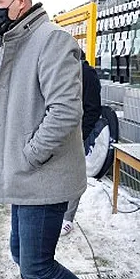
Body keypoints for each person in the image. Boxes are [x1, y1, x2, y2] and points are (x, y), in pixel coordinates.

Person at [0, 0, 86, 279]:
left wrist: (30, 155)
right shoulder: (11, 44)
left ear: (20, 2)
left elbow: (66, 110)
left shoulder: (51, 39)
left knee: (38, 268)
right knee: (21, 256)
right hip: (24, 176)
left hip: (43, 177)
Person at [61, 50, 102, 236]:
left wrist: (81, 135)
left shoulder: (87, 74)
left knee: (74, 175)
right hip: (61, 133)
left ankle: (68, 218)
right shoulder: (63, 72)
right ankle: (59, 213)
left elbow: (93, 109)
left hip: (78, 134)